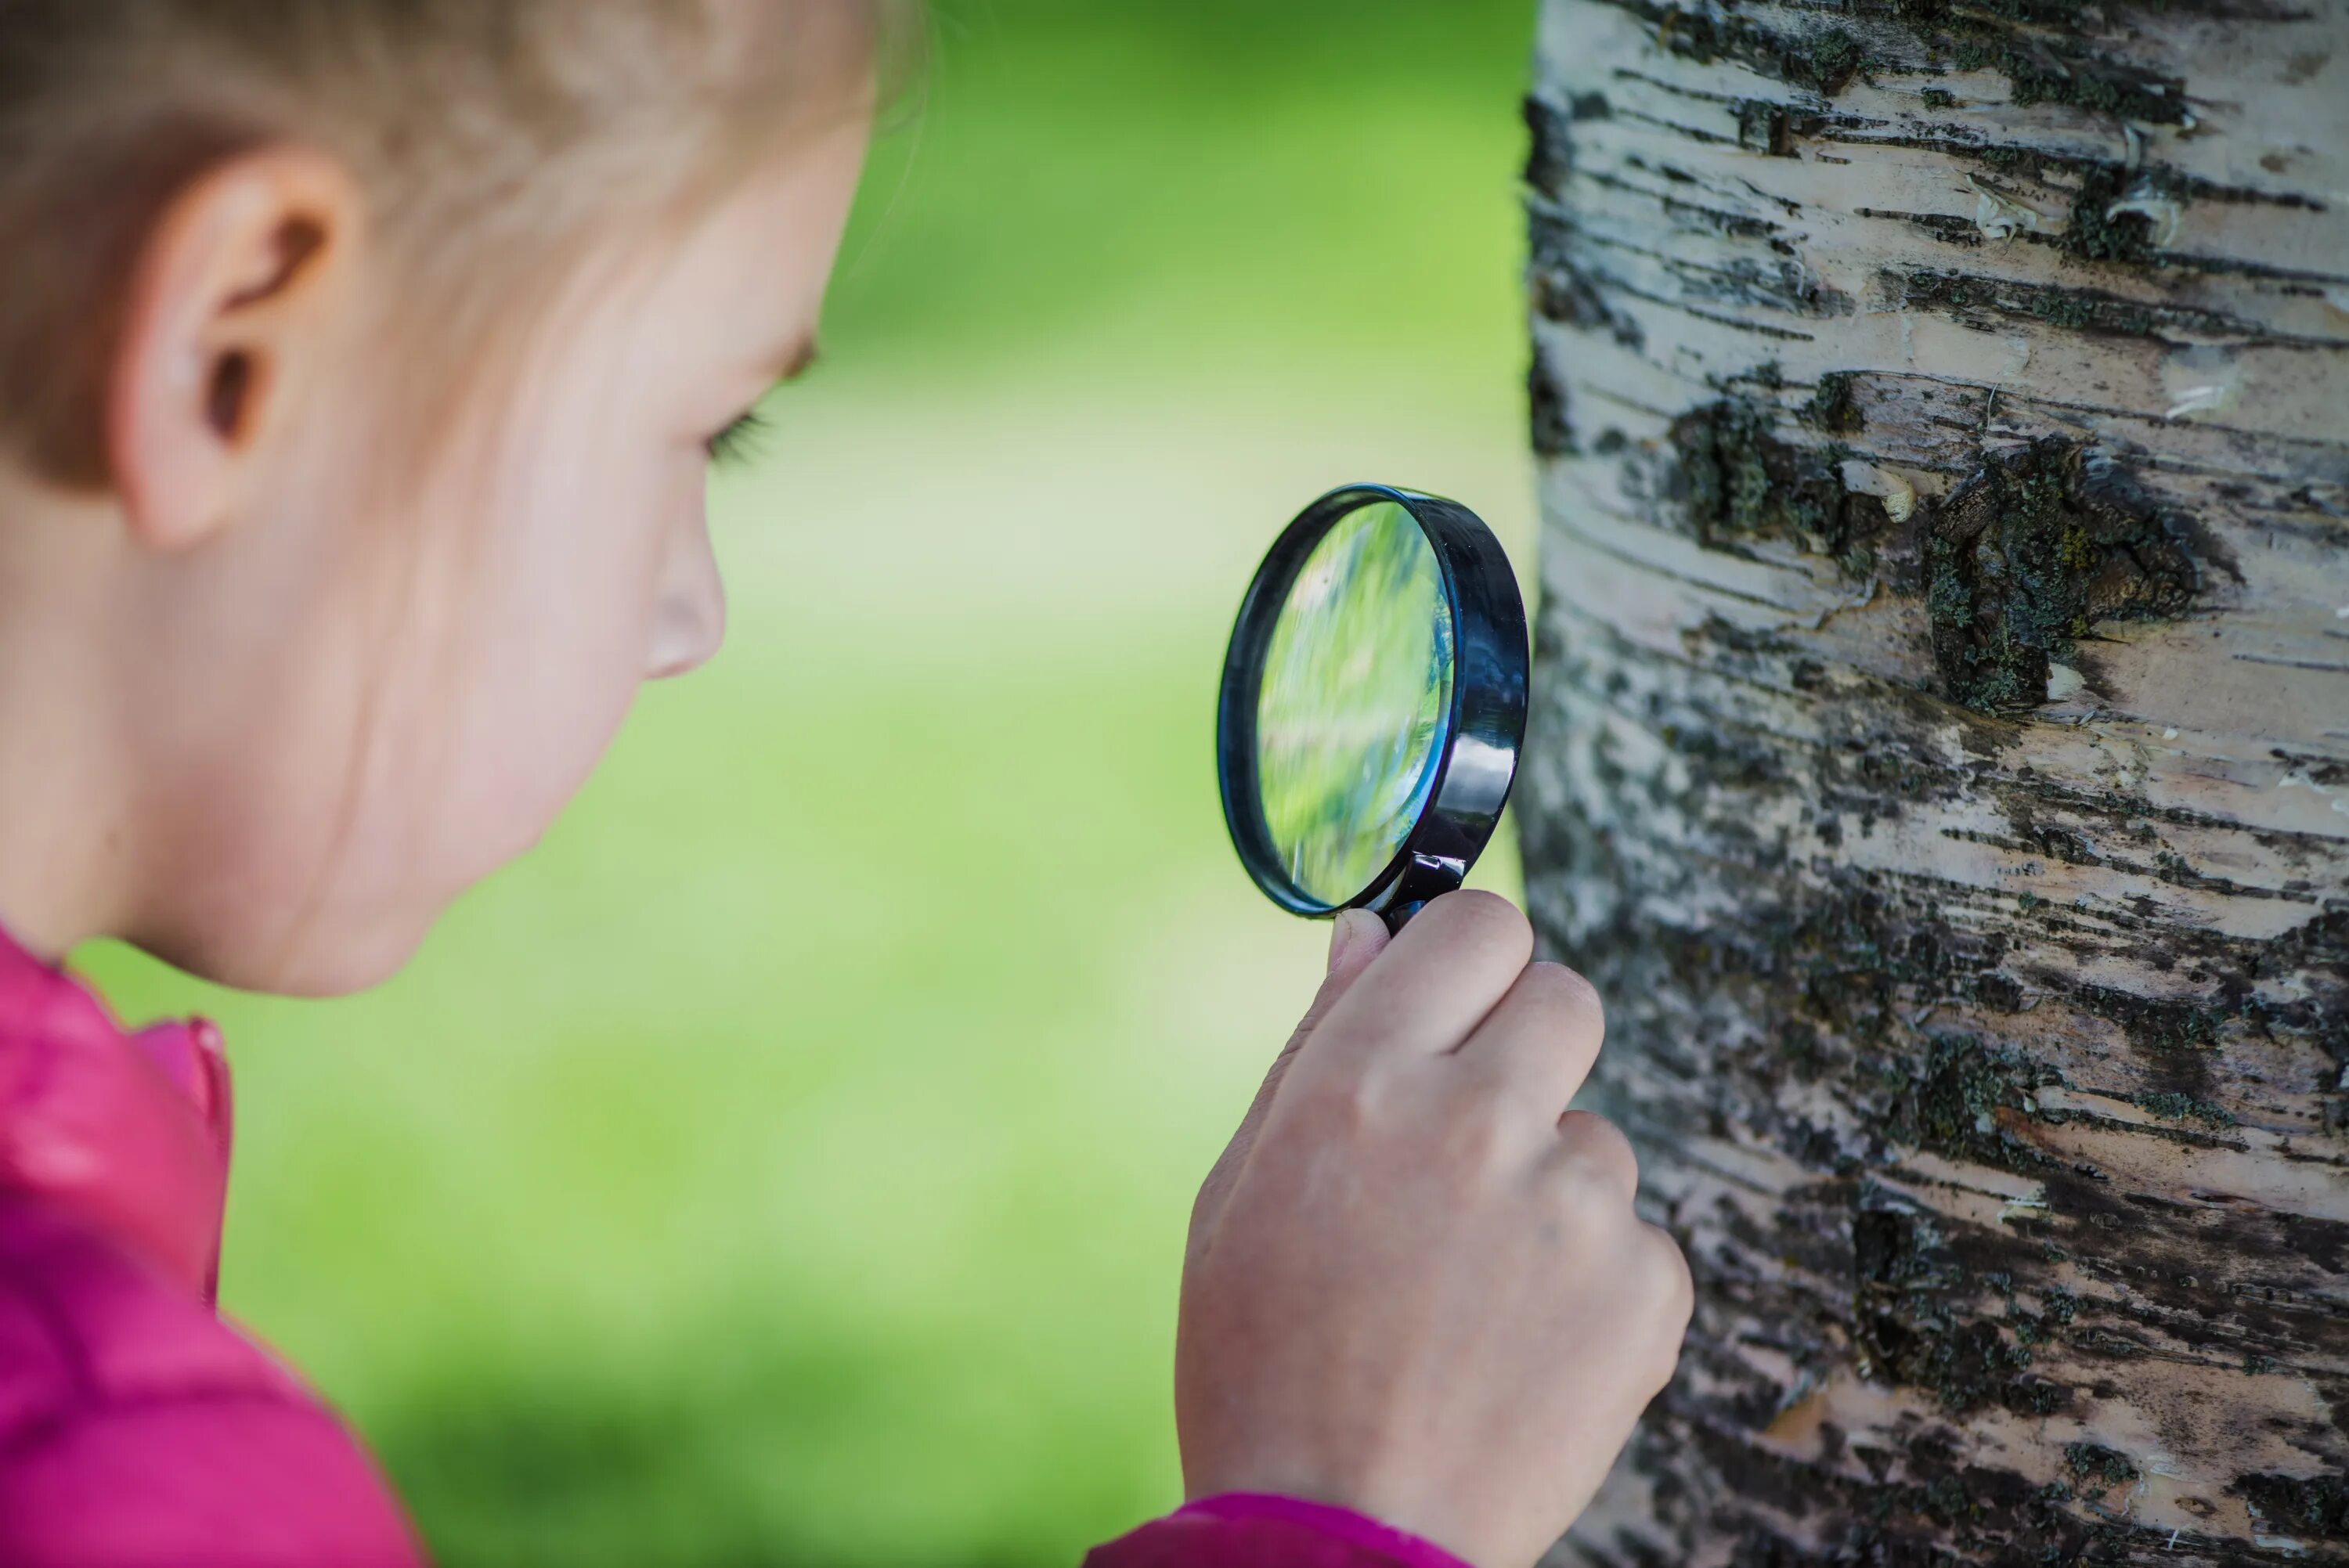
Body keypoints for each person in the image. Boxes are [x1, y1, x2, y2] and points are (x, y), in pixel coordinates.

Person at [0, 3, 1693, 1565]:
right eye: (701, 432)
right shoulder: (100, 1465)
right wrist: (1336, 1506)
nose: (691, 613)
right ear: (231, 350)